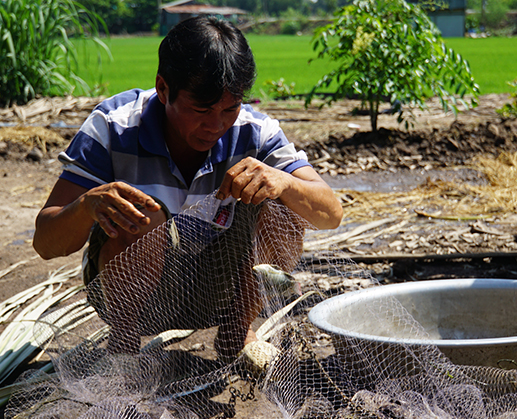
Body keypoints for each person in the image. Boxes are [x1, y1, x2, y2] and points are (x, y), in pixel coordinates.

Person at [32, 16, 342, 359]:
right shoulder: (113, 126)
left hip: (217, 292)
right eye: (201, 109)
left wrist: (282, 180)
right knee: (141, 212)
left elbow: (330, 213)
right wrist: (87, 205)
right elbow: (46, 243)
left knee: (286, 203)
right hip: (133, 295)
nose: (217, 124)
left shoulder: (256, 132)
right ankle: (123, 351)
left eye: (230, 108)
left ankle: (236, 334)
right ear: (163, 89)